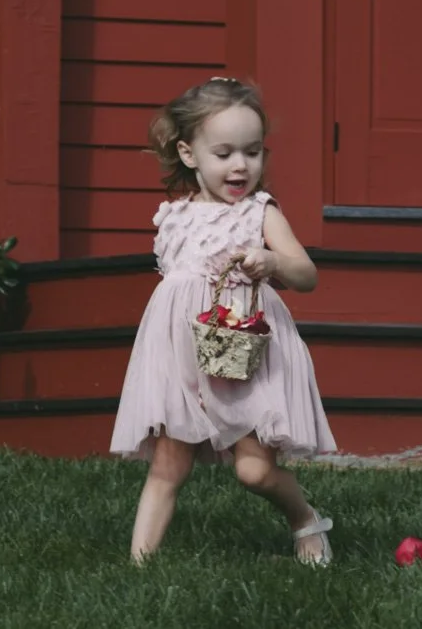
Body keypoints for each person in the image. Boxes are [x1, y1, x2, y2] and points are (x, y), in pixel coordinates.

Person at [110, 77, 337, 566]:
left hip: (243, 352)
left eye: (253, 152)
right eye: (225, 153)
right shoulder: (174, 216)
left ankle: (305, 519)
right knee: (169, 465)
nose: (241, 165)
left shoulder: (259, 212)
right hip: (184, 355)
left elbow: (307, 274)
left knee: (254, 472)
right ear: (189, 154)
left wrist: (273, 263)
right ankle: (138, 568)